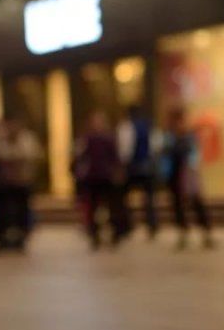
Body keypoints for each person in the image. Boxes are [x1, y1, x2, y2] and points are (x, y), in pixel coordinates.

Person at [159, 107, 214, 250]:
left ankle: (205, 232)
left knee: (196, 203)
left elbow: (194, 154)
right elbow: (164, 155)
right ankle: (183, 233)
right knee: (177, 205)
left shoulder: (188, 135)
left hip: (187, 174)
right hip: (174, 174)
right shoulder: (168, 136)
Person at [74, 112, 129, 249]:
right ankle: (95, 235)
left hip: (107, 177)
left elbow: (115, 157)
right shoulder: (87, 139)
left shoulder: (109, 139)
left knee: (112, 208)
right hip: (92, 178)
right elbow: (80, 157)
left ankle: (114, 234)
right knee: (93, 208)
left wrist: (118, 172)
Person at [0, 119, 42, 251]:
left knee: (22, 212)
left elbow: (33, 155)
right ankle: (3, 238)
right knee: (4, 212)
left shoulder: (28, 139)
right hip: (5, 183)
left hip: (23, 182)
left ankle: (21, 238)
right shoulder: (1, 138)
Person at [117, 106, 159, 240]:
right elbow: (156, 145)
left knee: (125, 197)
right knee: (149, 198)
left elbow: (125, 148)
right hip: (147, 166)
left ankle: (128, 225)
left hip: (132, 167)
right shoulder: (148, 126)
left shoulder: (126, 127)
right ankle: (152, 224)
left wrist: (123, 165)